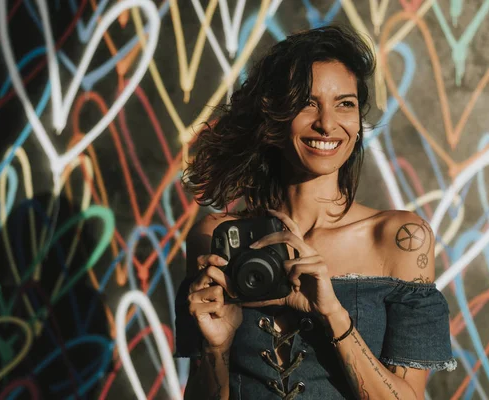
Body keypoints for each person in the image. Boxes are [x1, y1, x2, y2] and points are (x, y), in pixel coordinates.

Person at [175, 25, 456, 399]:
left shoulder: (400, 238)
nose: (327, 122)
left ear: (358, 121)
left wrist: (333, 315)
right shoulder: (217, 236)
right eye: (307, 103)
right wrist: (216, 348)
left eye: (345, 103)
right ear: (273, 116)